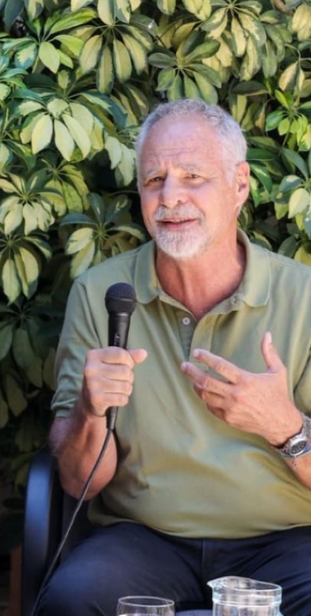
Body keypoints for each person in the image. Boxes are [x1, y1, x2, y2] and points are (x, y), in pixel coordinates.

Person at [37, 99, 311, 615]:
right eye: (154, 180)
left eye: (192, 176)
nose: (170, 197)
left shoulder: (305, 297)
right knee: (72, 600)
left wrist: (285, 427)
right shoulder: (101, 293)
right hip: (145, 539)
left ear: (240, 184)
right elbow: (78, 481)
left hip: (287, 542)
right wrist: (90, 411)